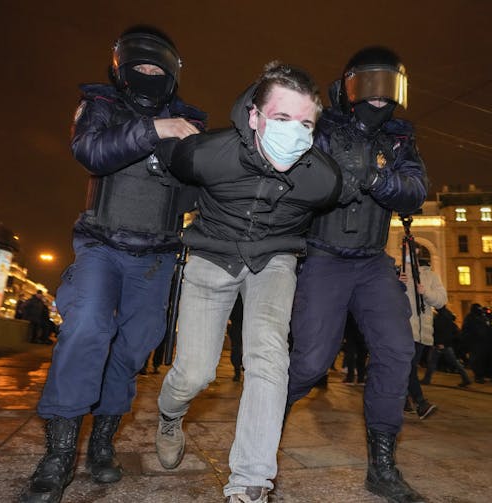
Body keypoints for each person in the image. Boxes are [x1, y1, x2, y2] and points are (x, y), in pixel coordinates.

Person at [20, 26, 205, 503]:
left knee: (135, 346)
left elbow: (198, 190)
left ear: (171, 76)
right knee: (86, 329)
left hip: (158, 255)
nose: (146, 76)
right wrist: (153, 131)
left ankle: (101, 441)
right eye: (138, 69)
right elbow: (91, 153)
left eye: (155, 71)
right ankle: (58, 456)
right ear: (121, 71)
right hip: (102, 245)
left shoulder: (189, 122)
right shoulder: (100, 107)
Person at [154, 62, 341, 503]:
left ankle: (251, 484)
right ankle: (168, 414)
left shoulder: (322, 179)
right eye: (281, 118)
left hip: (273, 259)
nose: (294, 133)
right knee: (194, 372)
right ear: (255, 116)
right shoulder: (204, 153)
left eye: (305, 124)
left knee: (268, 355)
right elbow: (166, 173)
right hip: (212, 254)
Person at [285, 46, 428, 502]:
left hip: (370, 261)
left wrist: (372, 178)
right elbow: (293, 173)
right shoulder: (323, 126)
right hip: (324, 256)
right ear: (350, 84)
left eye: (390, 86)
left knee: (396, 350)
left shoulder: (400, 139)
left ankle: (382, 466)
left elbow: (415, 190)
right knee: (309, 362)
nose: (381, 97)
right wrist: (333, 182)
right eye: (371, 84)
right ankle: (263, 428)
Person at [401, 256, 450, 417]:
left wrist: (425, 292)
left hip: (423, 333)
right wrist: (397, 283)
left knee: (407, 368)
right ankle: (420, 402)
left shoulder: (432, 276)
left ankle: (403, 399)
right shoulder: (403, 272)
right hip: (406, 328)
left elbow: (442, 301)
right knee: (409, 367)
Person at [423, 305, 471, 387]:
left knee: (432, 362)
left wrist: (440, 343)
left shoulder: (441, 317)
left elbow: (441, 331)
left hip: (440, 343)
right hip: (445, 343)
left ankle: (427, 379)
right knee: (453, 362)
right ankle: (465, 378)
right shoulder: (447, 315)